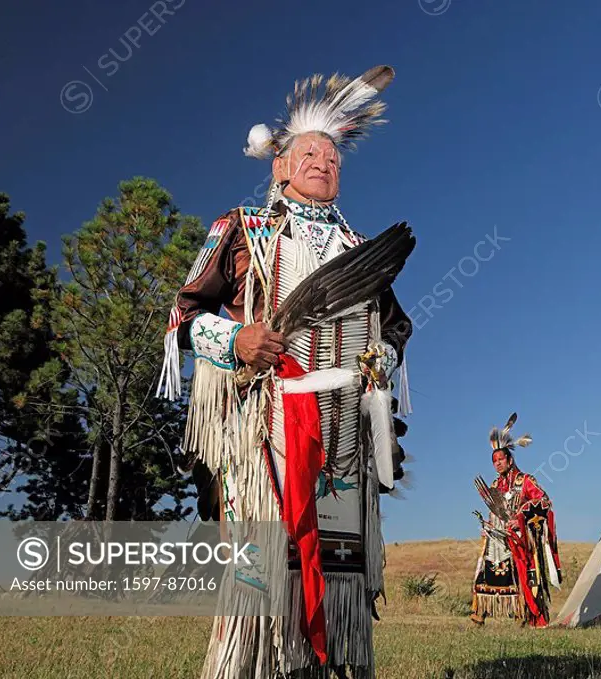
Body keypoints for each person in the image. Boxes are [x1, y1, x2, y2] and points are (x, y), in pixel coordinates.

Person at [156, 65, 413, 679]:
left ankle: (332, 667)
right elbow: (183, 312)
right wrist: (236, 338)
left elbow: (397, 328)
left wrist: (382, 370)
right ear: (279, 166)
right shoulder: (242, 229)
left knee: (339, 567)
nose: (323, 161)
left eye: (332, 157)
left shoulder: (359, 249)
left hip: (344, 431)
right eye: (309, 153)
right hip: (267, 424)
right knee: (266, 567)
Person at [470, 413, 562, 628]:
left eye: (501, 460)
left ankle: (522, 614)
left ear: (510, 460)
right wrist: (488, 526)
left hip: (518, 540)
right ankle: (479, 613)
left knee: (519, 577)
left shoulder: (525, 481)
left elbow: (544, 502)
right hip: (496, 539)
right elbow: (495, 511)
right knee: (485, 573)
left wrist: (520, 517)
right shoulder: (495, 484)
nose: (497, 464)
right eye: (494, 461)